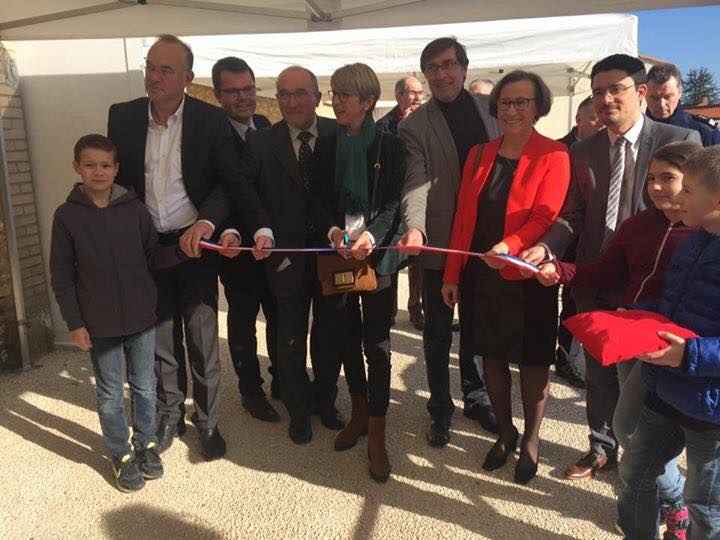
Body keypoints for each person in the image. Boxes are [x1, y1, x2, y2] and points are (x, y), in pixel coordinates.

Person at [521, 54, 701, 481]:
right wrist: (548, 246)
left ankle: (656, 471)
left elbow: (698, 209)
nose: (605, 99)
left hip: (656, 289)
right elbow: (572, 215)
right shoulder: (582, 151)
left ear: (641, 92)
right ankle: (602, 449)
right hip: (596, 278)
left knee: (653, 387)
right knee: (599, 376)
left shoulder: (681, 139)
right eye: (598, 91)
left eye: (615, 89)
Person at [107, 34, 262, 460]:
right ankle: (169, 415)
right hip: (147, 248)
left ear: (188, 79)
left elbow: (226, 183)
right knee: (159, 340)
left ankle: (208, 422)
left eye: (166, 70)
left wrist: (208, 224)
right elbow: (116, 184)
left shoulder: (210, 120)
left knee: (201, 335)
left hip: (193, 244)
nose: (154, 77)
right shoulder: (121, 117)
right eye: (151, 67)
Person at [536, 141, 700, 537]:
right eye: (652, 179)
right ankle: (674, 500)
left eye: (669, 179)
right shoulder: (638, 225)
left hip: (678, 351)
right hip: (632, 341)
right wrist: (560, 271)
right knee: (628, 432)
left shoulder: (704, 232)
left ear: (693, 182)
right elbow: (604, 271)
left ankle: (679, 505)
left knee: (668, 444)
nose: (657, 187)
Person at [442, 71, 570, 484]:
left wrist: (509, 246)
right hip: (483, 274)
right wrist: (452, 274)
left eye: (521, 102)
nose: (511, 110)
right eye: (505, 103)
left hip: (527, 276)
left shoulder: (554, 155)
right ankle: (504, 432)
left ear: (538, 107)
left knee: (533, 362)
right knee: (490, 357)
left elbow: (544, 217)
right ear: (495, 107)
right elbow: (463, 219)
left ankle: (531, 438)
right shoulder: (479, 154)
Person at [50, 134, 183, 492]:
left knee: (144, 386)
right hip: (100, 322)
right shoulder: (66, 216)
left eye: (105, 165)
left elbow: (153, 255)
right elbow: (61, 275)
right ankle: (120, 454)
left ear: (116, 169)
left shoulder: (134, 209)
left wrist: (184, 251)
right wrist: (75, 324)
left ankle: (146, 444)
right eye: (90, 165)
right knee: (110, 394)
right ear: (77, 167)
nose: (98, 171)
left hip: (141, 317)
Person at [225, 66, 344, 445]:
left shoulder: (340, 136)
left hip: (332, 255)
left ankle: (325, 400)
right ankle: (297, 407)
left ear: (317, 97)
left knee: (329, 334)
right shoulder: (261, 144)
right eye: (283, 94)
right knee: (289, 335)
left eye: (299, 93)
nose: (291, 102)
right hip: (285, 258)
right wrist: (255, 227)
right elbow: (243, 192)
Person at [397, 37, 501, 447]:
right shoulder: (414, 125)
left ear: (463, 67)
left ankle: (476, 397)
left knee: (478, 327)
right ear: (426, 75)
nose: (441, 74)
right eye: (433, 68)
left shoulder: (491, 112)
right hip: (441, 242)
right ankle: (440, 408)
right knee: (438, 332)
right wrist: (415, 228)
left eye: (448, 65)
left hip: (488, 241)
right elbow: (415, 183)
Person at [616, 145, 720, 539]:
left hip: (710, 411)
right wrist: (640, 314)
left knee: (706, 506)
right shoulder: (695, 240)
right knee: (635, 471)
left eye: (688, 189)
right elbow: (673, 301)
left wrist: (689, 354)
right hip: (665, 391)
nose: (677, 196)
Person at [311, 63, 406, 483]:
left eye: (344, 95)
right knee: (346, 336)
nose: (336, 102)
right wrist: (333, 231)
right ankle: (359, 413)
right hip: (337, 258)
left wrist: (371, 237)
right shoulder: (327, 146)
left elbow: (392, 208)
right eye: (334, 93)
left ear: (368, 101)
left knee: (378, 345)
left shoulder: (391, 147)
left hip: (376, 259)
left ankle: (379, 433)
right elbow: (315, 201)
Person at [210, 56, 280, 423]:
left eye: (248, 89)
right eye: (233, 91)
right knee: (242, 321)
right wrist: (227, 231)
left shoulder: (266, 125)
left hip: (272, 247)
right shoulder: (209, 135)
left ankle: (281, 377)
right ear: (219, 95)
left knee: (280, 315)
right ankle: (251, 391)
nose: (243, 97)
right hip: (235, 249)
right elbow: (213, 191)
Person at [554, 95, 605, 389]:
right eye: (594, 117)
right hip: (563, 240)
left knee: (578, 302)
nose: (600, 123)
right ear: (579, 120)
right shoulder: (560, 150)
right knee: (565, 302)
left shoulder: (608, 150)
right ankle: (564, 357)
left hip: (595, 244)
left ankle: (572, 357)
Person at [377, 75, 425, 331]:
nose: (418, 98)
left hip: (420, 198)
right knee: (392, 255)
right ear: (398, 96)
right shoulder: (384, 124)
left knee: (419, 259)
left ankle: (416, 309)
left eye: (420, 92)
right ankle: (389, 310)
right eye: (412, 93)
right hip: (393, 201)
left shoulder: (429, 120)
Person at [646, 63, 720, 147]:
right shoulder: (633, 129)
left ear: (679, 92)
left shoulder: (704, 133)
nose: (661, 104)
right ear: (644, 93)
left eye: (667, 97)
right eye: (655, 98)